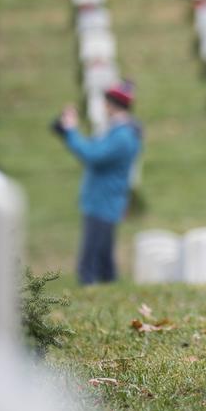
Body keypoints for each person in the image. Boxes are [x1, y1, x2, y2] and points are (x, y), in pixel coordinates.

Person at [51, 81, 144, 285]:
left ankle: (93, 295)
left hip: (104, 201)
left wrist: (71, 131)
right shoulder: (118, 131)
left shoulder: (123, 135)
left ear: (111, 105)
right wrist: (68, 132)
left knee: (90, 263)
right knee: (104, 261)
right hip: (103, 200)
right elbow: (92, 148)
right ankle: (108, 292)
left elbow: (92, 155)